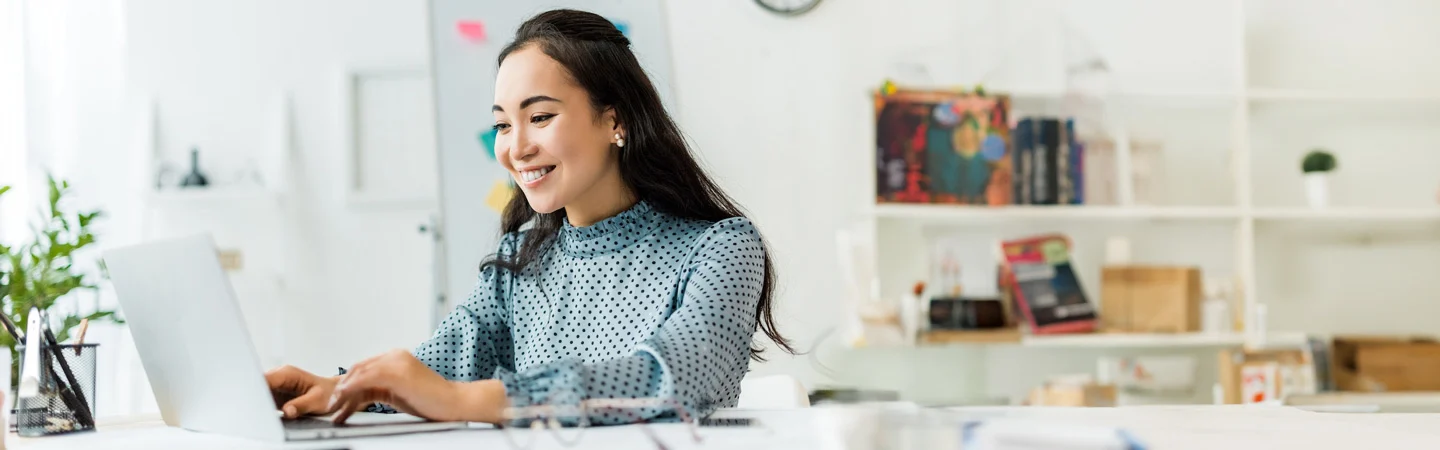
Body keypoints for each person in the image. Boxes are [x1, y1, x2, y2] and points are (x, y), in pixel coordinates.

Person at [264, 8, 793, 426]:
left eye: (539, 117)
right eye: (502, 125)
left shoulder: (722, 247)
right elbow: (437, 367)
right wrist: (336, 388)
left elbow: (675, 376)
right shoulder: (519, 259)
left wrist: (467, 400)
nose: (515, 147)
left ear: (615, 120)